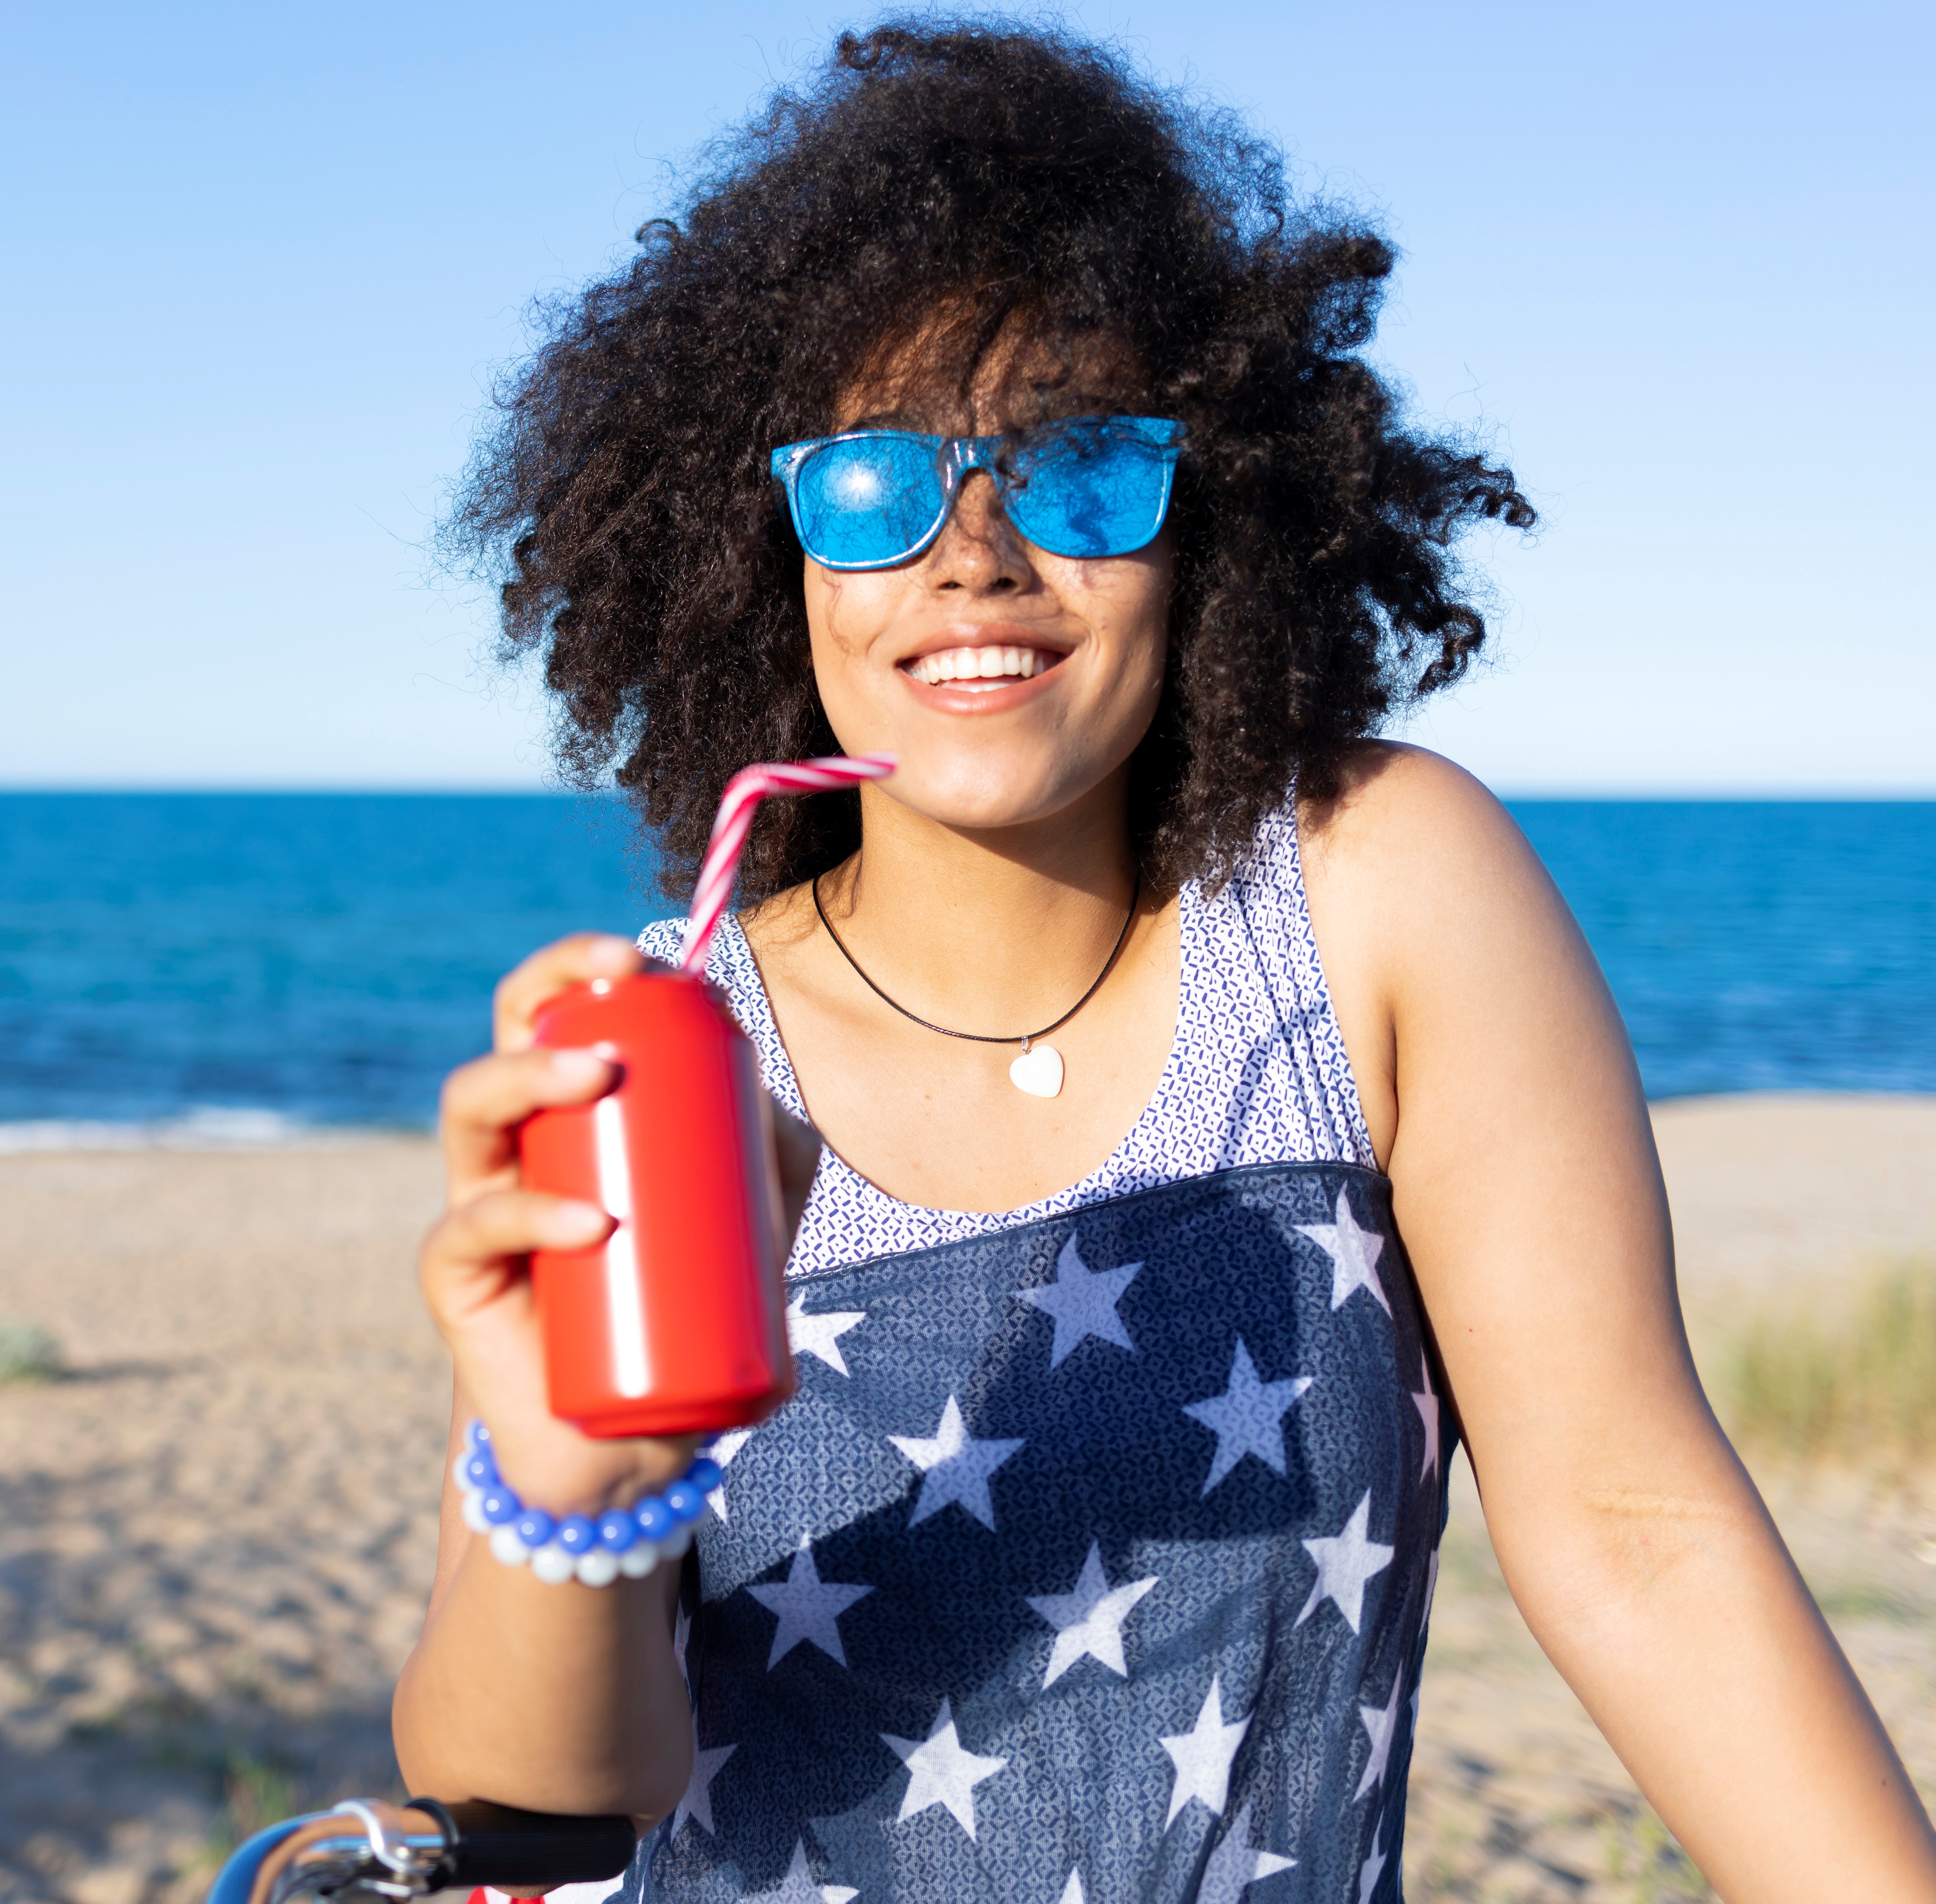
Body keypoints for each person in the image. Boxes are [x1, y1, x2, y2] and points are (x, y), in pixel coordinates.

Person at [388, 23, 1936, 1904]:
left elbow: (1630, 1531)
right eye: (871, 486)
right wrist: (567, 1486)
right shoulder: (657, 1054)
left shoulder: (1368, 890)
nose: (970, 554)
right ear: (763, 555)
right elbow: (545, 1807)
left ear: (1204, 515)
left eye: (1075, 469)